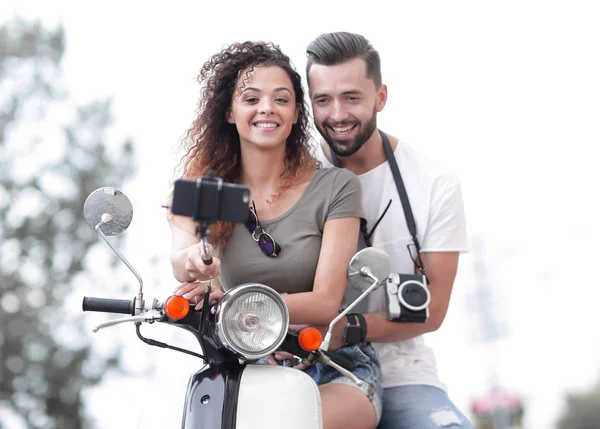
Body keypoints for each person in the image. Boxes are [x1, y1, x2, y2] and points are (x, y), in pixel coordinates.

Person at [167, 41, 382, 429]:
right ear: (229, 112)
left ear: (296, 112)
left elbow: (324, 303)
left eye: (280, 99)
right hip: (248, 366)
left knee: (290, 421)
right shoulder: (203, 192)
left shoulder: (335, 187)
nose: (266, 108)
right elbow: (181, 258)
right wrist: (194, 265)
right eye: (251, 98)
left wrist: (234, 301)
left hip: (335, 365)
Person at [305, 32, 473, 429]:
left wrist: (350, 329)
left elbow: (432, 310)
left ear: (380, 97)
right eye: (322, 100)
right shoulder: (294, 175)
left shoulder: (435, 183)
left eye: (351, 97)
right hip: (306, 366)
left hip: (403, 372)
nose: (337, 114)